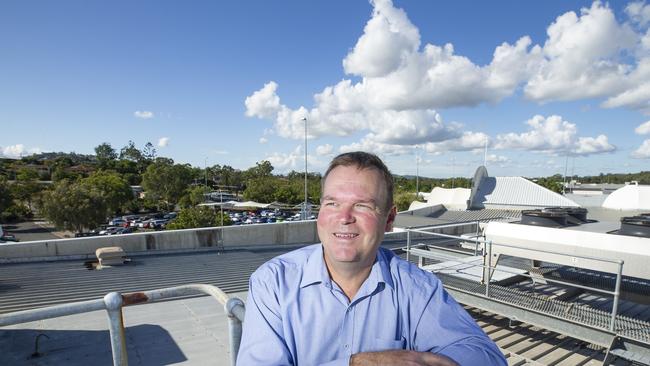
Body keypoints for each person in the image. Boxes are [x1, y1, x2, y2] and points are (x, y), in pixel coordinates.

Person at [237, 151, 506, 365]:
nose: (344, 218)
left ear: (389, 219)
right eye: (332, 203)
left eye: (362, 206)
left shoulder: (418, 288)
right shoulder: (273, 282)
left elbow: (486, 356)